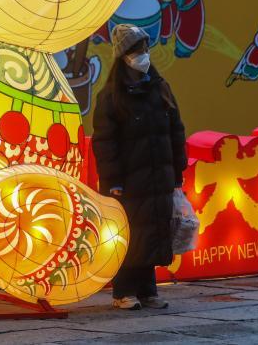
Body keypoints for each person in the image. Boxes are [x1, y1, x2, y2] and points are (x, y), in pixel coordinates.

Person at [91, 24, 187, 311]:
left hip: (158, 177)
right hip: (128, 181)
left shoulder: (160, 88)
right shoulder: (111, 96)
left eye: (145, 49)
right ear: (124, 56)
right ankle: (124, 291)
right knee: (130, 235)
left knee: (154, 231)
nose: (143, 55)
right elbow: (105, 143)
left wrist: (177, 171)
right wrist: (113, 181)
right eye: (136, 50)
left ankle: (148, 291)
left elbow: (176, 131)